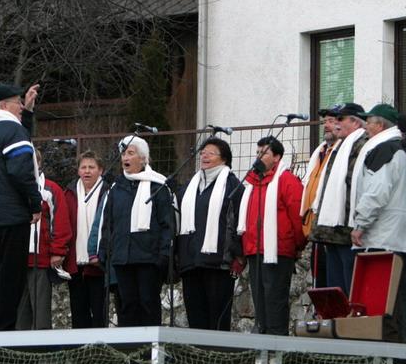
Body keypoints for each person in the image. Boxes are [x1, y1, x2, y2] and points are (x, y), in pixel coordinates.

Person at [0, 84, 42, 331]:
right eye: (18, 102)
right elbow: (21, 170)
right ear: (4, 105)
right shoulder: (13, 130)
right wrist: (35, 203)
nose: (21, 106)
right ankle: (3, 337)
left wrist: (28, 113)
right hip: (11, 216)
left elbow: (21, 139)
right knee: (11, 282)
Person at [349, 104, 406, 343]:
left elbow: (376, 192)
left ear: (379, 125)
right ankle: (404, 344)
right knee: (401, 292)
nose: (365, 127)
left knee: (388, 295)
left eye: (368, 122)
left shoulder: (383, 150)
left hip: (384, 235)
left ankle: (397, 346)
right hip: (394, 234)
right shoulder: (394, 149)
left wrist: (360, 224)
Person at [98, 135, 174, 327]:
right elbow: (108, 224)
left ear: (143, 158)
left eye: (130, 153)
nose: (125, 157)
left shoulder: (158, 186)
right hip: (122, 258)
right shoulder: (116, 188)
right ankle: (130, 345)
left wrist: (164, 254)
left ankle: (150, 345)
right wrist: (104, 251)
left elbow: (167, 224)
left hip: (149, 258)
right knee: (127, 305)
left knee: (148, 303)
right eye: (123, 153)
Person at [237, 136, 306, 335]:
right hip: (255, 250)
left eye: (264, 152)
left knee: (275, 302)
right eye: (258, 152)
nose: (259, 156)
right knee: (260, 303)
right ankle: (263, 343)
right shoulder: (253, 182)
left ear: (277, 157)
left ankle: (277, 344)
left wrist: (297, 245)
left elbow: (297, 216)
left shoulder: (287, 180)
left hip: (277, 250)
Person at [177, 137, 243, 331]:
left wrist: (237, 254)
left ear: (224, 159)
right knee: (196, 319)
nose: (204, 156)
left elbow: (239, 222)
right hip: (191, 262)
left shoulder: (233, 186)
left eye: (211, 153)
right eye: (203, 152)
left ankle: (218, 351)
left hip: (218, 263)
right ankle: (198, 352)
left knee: (218, 320)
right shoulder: (189, 187)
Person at [310, 103, 368, 296]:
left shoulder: (361, 145)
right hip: (332, 231)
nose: (336, 124)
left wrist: (358, 223)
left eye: (340, 119)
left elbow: (355, 186)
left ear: (355, 122)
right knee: (335, 291)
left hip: (347, 229)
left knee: (350, 290)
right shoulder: (340, 146)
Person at [17, 150, 72, 330]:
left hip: (40, 260)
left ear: (39, 163)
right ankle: (18, 347)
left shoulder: (50, 189)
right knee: (19, 314)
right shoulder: (12, 187)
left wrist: (58, 251)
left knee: (40, 314)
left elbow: (60, 221)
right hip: (16, 260)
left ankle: (42, 346)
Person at [65, 151, 110, 328]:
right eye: (83, 167)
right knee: (78, 313)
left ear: (101, 170)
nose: (87, 171)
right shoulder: (69, 194)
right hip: (75, 263)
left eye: (92, 167)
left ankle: (100, 344)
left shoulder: (108, 192)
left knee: (99, 313)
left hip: (98, 264)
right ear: (78, 171)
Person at [301, 105, 340, 288]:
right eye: (325, 121)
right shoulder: (320, 152)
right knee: (320, 280)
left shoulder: (340, 152)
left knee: (332, 280)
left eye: (331, 121)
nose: (326, 125)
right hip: (316, 225)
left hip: (331, 226)